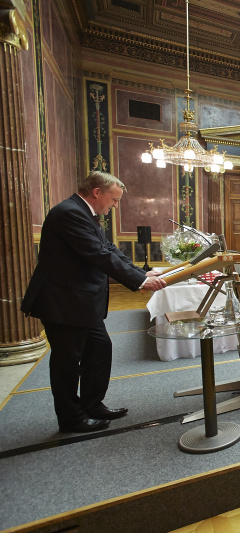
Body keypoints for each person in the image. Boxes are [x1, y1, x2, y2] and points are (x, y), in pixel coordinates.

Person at [21, 171, 167, 433]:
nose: (115, 206)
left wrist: (140, 272)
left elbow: (109, 249)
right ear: (97, 192)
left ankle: (92, 403)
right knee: (67, 362)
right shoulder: (69, 212)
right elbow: (97, 254)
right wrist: (140, 282)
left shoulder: (86, 214)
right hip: (64, 302)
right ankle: (71, 417)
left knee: (100, 350)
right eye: (114, 200)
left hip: (82, 302)